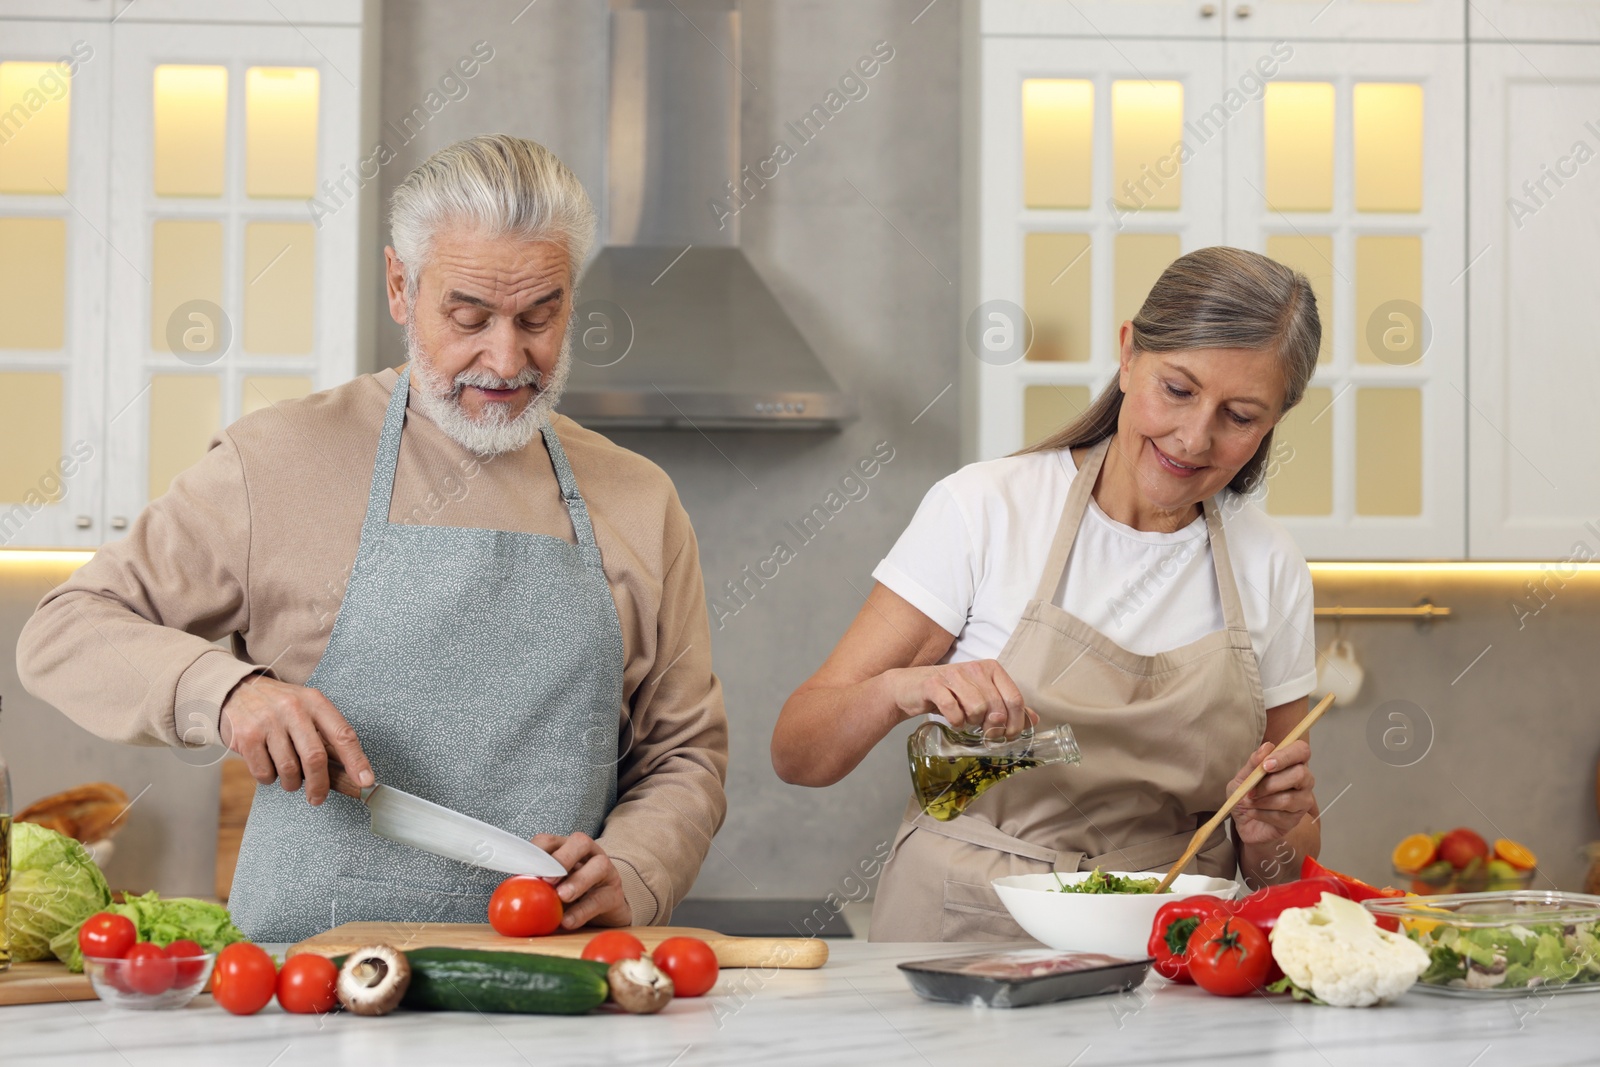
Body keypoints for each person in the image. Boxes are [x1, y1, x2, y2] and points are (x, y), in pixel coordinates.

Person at [18, 134, 728, 942]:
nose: (507, 357)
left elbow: (686, 753)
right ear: (400, 285)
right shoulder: (279, 459)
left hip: (549, 975)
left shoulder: (638, 499)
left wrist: (636, 867)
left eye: (540, 315)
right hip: (304, 982)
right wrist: (229, 693)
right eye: (469, 315)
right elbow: (65, 628)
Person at [773, 247, 1323, 941]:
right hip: (964, 925)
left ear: (1273, 422)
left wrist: (1268, 828)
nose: (1194, 437)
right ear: (1128, 355)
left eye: (1240, 415)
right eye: (1177, 390)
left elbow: (1283, 867)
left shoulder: (1270, 565)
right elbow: (799, 752)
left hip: (1164, 941)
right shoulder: (985, 508)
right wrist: (904, 688)